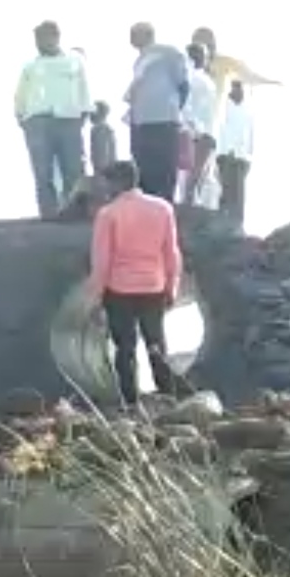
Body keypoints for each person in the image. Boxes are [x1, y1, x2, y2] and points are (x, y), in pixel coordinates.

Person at [89, 160, 185, 408]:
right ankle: (168, 396)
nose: (105, 188)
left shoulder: (108, 214)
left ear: (117, 183)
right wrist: (172, 287)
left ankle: (131, 403)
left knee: (125, 348)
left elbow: (102, 260)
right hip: (154, 286)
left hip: (119, 290)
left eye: (107, 182)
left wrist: (96, 297)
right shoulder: (162, 209)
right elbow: (171, 253)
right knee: (156, 343)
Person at [14, 21, 91, 219]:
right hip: (38, 120)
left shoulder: (74, 62)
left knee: (73, 169)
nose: (39, 43)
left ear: (55, 37)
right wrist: (22, 117)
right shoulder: (30, 65)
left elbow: (84, 89)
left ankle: (74, 212)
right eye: (37, 40)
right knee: (42, 171)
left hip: (68, 118)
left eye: (43, 38)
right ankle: (48, 214)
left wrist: (83, 113)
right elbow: (20, 95)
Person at [124, 23, 190, 200]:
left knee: (165, 169)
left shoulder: (169, 53)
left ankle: (164, 210)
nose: (130, 39)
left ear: (147, 35)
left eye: (134, 34)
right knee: (143, 171)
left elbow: (183, 84)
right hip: (141, 122)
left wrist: (173, 110)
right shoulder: (140, 59)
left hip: (164, 121)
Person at [180, 42, 220, 206]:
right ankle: (189, 210)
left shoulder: (205, 79)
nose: (204, 59)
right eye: (201, 55)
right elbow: (187, 107)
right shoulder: (191, 78)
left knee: (198, 180)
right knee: (191, 179)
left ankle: (192, 207)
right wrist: (195, 130)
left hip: (205, 132)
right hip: (197, 134)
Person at [215, 80, 255, 225]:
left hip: (241, 157)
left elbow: (251, 133)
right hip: (225, 154)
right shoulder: (223, 105)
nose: (238, 91)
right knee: (225, 192)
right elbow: (219, 129)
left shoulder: (249, 108)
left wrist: (250, 156)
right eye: (235, 88)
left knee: (239, 195)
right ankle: (223, 224)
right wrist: (218, 155)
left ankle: (237, 225)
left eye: (240, 88)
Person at [88, 101, 118, 176]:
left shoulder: (100, 129)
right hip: (103, 165)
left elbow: (102, 150)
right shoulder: (105, 129)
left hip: (103, 166)